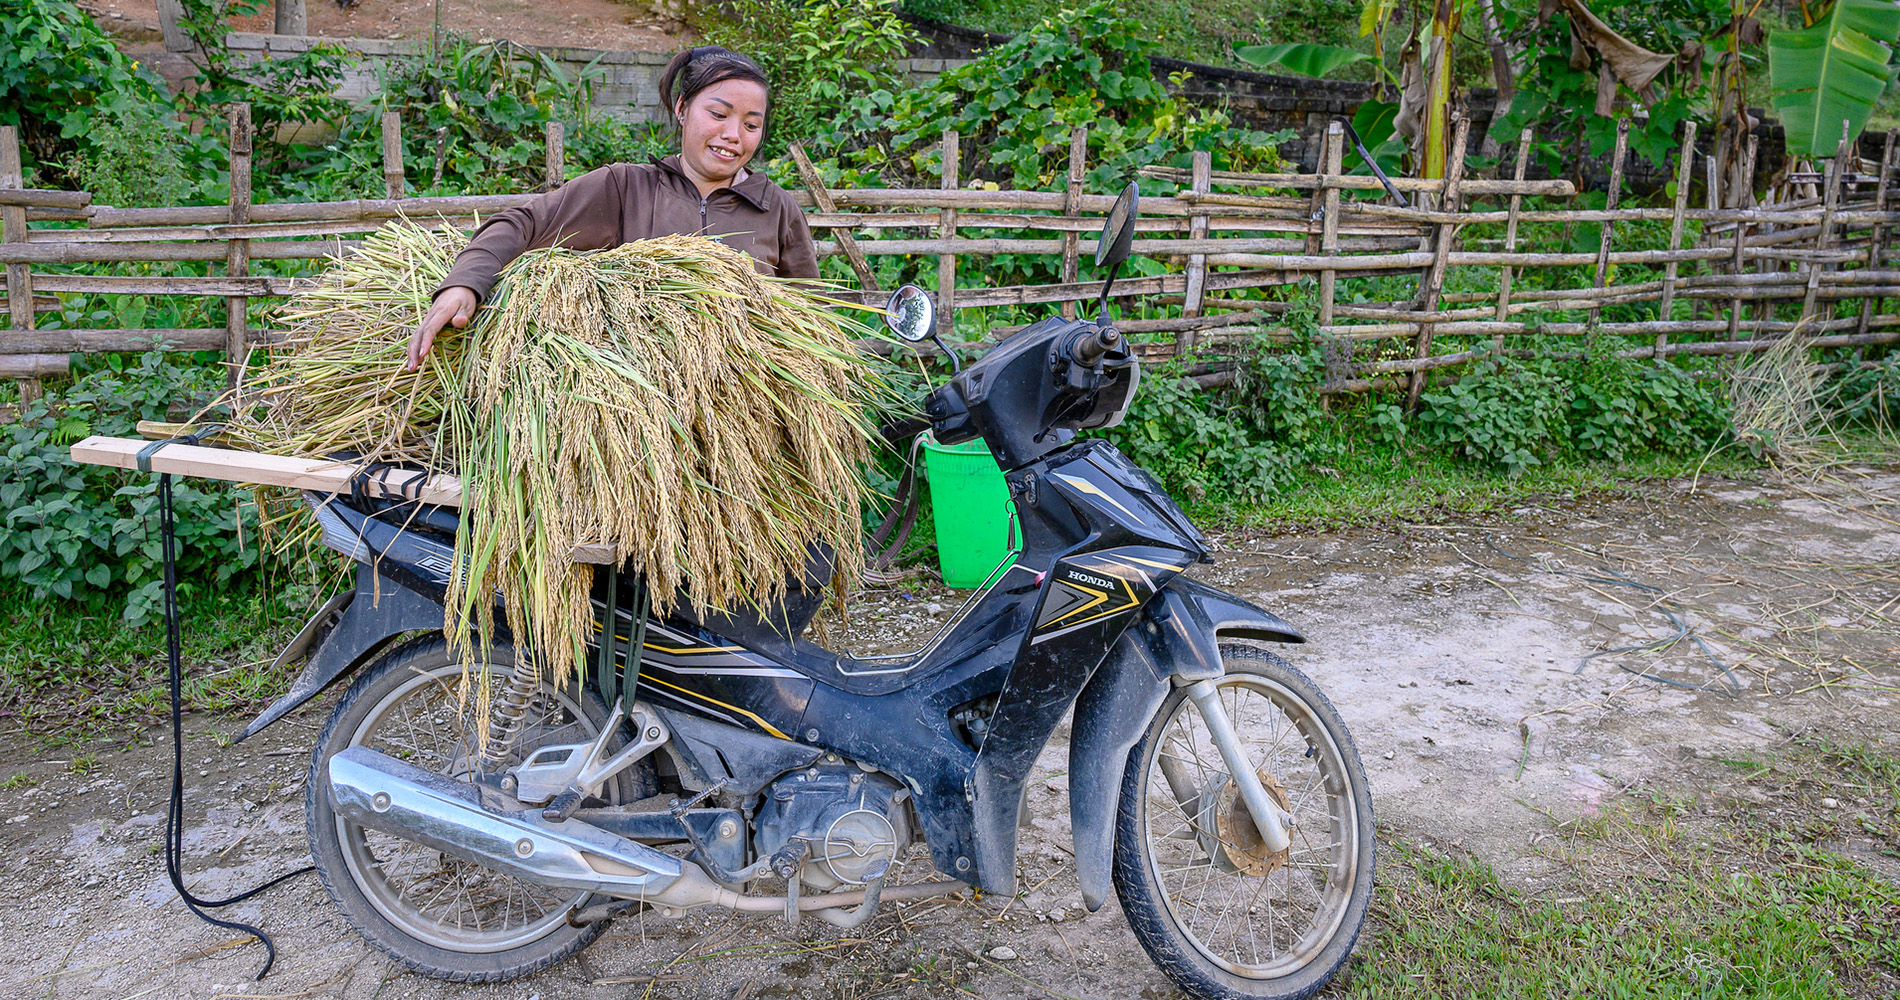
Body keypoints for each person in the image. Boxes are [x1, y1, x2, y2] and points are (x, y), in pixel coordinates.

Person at [404, 45, 820, 371]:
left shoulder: (777, 209)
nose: (733, 135)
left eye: (751, 125)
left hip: (740, 414)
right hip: (640, 408)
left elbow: (811, 319)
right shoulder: (625, 188)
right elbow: (522, 223)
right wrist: (464, 283)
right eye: (718, 114)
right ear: (682, 109)